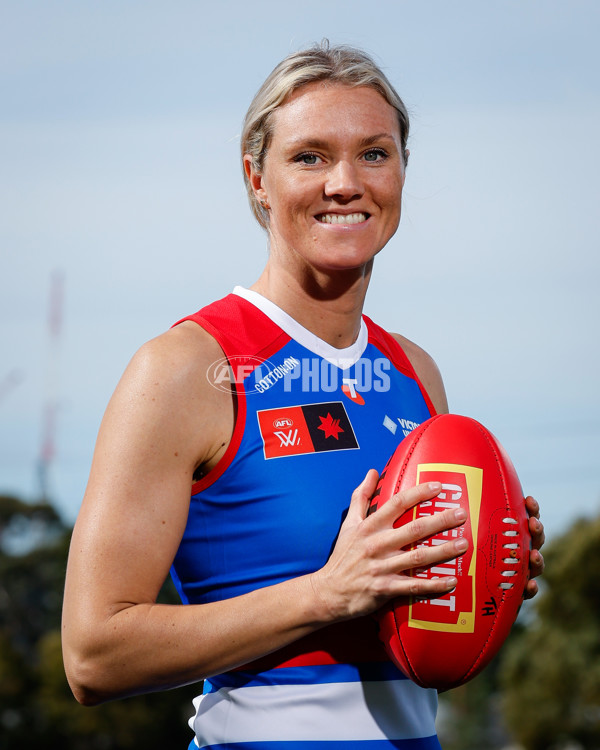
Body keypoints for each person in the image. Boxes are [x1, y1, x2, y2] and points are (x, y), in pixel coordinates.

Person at [62, 42, 545, 749]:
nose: (345, 183)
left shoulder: (414, 371)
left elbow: (425, 660)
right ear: (258, 177)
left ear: (403, 172)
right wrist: (327, 592)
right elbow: (92, 656)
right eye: (310, 156)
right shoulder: (185, 367)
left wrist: (483, 582)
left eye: (374, 154)